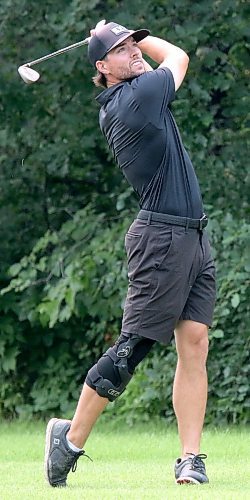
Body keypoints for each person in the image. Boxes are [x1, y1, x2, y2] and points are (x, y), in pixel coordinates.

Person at [44, 20, 216, 487]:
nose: (133, 52)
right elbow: (178, 56)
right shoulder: (135, 98)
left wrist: (126, 39)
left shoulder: (137, 91)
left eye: (132, 43)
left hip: (193, 236)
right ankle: (69, 439)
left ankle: (189, 458)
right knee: (132, 350)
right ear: (104, 67)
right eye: (121, 49)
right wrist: (144, 39)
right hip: (161, 237)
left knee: (195, 341)